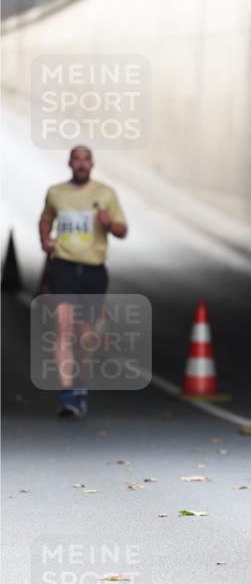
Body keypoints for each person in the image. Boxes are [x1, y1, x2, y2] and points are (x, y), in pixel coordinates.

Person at [38, 146, 128, 417]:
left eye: (85, 160)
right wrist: (45, 240)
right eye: (75, 159)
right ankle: (68, 395)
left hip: (93, 271)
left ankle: (80, 384)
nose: (80, 164)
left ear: (91, 164)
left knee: (86, 337)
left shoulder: (105, 194)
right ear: (69, 163)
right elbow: (45, 219)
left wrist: (108, 223)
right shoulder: (56, 193)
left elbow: (122, 230)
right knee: (63, 328)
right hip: (63, 266)